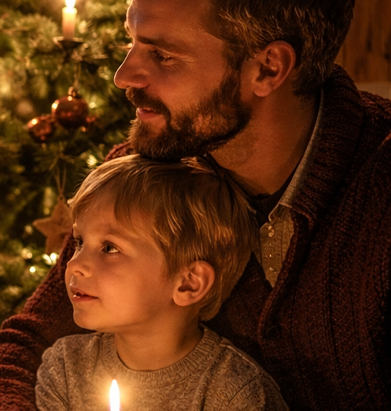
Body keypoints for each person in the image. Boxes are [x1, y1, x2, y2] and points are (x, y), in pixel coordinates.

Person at [0, 0, 391, 410]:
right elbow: (25, 349)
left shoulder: (379, 191)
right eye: (132, 44)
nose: (124, 76)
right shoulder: (150, 169)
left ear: (268, 68)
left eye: (162, 54)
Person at [34, 155, 286, 410]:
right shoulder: (65, 370)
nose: (74, 264)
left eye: (109, 248)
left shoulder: (235, 394)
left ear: (189, 283)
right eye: (79, 242)